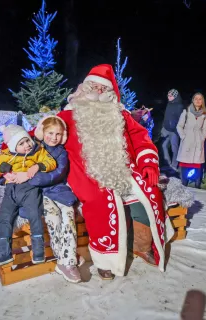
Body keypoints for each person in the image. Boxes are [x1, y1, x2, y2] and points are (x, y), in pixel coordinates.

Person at [56, 64, 174, 280]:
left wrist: (148, 164)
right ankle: (105, 261)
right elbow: (38, 135)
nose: (99, 92)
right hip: (88, 174)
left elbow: (141, 139)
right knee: (100, 200)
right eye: (94, 87)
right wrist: (11, 159)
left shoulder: (121, 115)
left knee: (150, 191)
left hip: (123, 168)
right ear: (83, 88)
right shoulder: (66, 116)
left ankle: (141, 244)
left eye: (104, 89)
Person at [0, 124, 57, 268]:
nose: (27, 145)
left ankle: (38, 251)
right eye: (21, 143)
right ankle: (4, 253)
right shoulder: (5, 155)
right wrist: (1, 168)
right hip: (10, 189)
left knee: (34, 214)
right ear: (13, 146)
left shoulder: (38, 151)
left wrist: (38, 166)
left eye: (27, 141)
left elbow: (51, 162)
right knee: (4, 217)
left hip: (29, 188)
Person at [29, 115, 82, 283]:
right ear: (42, 132)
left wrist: (36, 178)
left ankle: (69, 262)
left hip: (58, 190)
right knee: (53, 218)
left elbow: (58, 173)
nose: (54, 137)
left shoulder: (61, 152)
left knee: (68, 215)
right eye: (50, 133)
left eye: (58, 134)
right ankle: (64, 259)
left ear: (63, 136)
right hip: (39, 193)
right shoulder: (34, 149)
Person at [176, 93, 206, 188]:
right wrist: (183, 136)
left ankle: (197, 185)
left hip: (198, 141)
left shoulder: (204, 114)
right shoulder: (186, 112)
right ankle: (184, 184)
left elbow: (205, 128)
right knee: (185, 164)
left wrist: (202, 137)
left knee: (197, 165)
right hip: (187, 140)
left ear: (202, 101)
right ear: (193, 100)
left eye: (200, 99)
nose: (198, 101)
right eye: (196, 99)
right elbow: (179, 126)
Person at [161, 89, 184, 170]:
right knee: (164, 145)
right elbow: (166, 116)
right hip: (166, 129)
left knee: (175, 149)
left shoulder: (179, 106)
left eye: (170, 96)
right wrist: (164, 126)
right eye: (168, 95)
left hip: (174, 131)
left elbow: (180, 119)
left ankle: (174, 165)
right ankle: (168, 162)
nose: (168, 97)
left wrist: (175, 129)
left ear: (175, 96)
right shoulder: (169, 104)